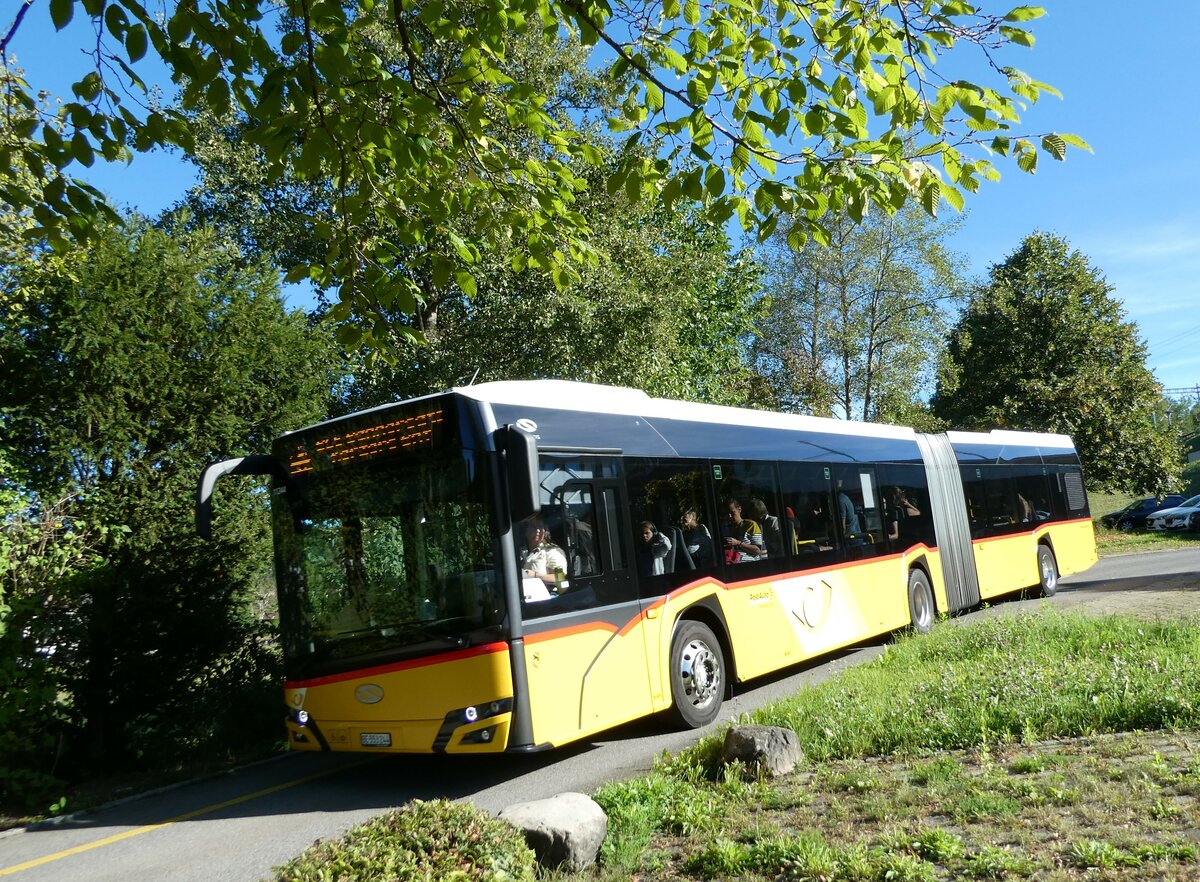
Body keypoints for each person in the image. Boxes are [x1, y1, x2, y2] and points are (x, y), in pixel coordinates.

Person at [520, 518, 569, 597]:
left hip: (547, 599)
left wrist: (535, 575)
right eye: (533, 527)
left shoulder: (553, 552)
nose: (538, 530)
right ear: (525, 531)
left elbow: (560, 579)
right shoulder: (521, 552)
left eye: (540, 527)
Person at [722, 498, 764, 564]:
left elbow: (758, 551)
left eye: (732, 513)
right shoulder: (725, 528)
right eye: (726, 514)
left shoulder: (750, 525)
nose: (729, 516)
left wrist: (738, 543)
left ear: (739, 509)